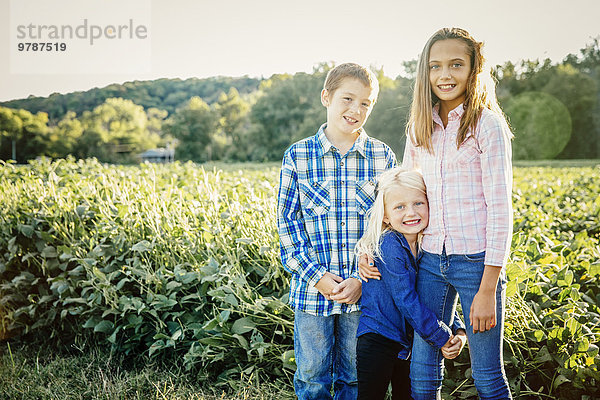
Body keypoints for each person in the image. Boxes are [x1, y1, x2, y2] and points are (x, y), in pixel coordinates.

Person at [359, 27, 514, 399]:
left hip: (477, 264)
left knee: (487, 373)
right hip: (429, 261)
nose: (445, 75)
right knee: (423, 371)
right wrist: (370, 246)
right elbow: (401, 195)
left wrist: (488, 288)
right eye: (435, 66)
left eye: (456, 64)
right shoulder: (420, 127)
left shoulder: (487, 127)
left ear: (474, 69)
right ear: (425, 74)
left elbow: (501, 210)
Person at [277, 63, 397, 400]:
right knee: (312, 377)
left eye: (365, 103)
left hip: (364, 294)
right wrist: (317, 276)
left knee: (356, 377)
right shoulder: (298, 156)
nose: (355, 110)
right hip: (312, 291)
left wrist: (362, 279)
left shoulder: (382, 156)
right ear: (326, 97)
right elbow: (288, 224)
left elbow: (390, 227)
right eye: (348, 99)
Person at [354, 167, 467, 400]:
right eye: (399, 207)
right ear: (385, 215)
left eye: (418, 203)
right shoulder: (389, 245)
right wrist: (443, 336)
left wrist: (458, 329)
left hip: (408, 341)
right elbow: (406, 299)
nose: (411, 212)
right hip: (379, 338)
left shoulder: (428, 245)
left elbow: (434, 294)